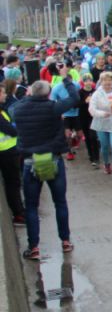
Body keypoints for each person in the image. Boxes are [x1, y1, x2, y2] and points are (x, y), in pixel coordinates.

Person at [10, 68, 78, 261]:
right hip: (53, 159)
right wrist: (65, 78)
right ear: (48, 94)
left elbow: (13, 108)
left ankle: (34, 247)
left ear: (30, 92)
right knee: (60, 203)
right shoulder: (53, 107)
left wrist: (28, 96)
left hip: (30, 161)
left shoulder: (18, 109)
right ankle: (65, 241)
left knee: (31, 206)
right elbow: (74, 97)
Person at [89, 71, 112, 178]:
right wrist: (101, 113)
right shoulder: (97, 94)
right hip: (101, 122)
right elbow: (91, 109)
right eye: (105, 83)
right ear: (101, 82)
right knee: (105, 146)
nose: (107, 85)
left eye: (109, 82)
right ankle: (107, 164)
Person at [0, 85, 25, 226]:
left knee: (15, 183)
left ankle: (19, 211)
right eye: (3, 93)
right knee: (13, 184)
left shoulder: (2, 110)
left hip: (10, 150)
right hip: (6, 153)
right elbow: (11, 130)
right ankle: (18, 214)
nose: (5, 95)